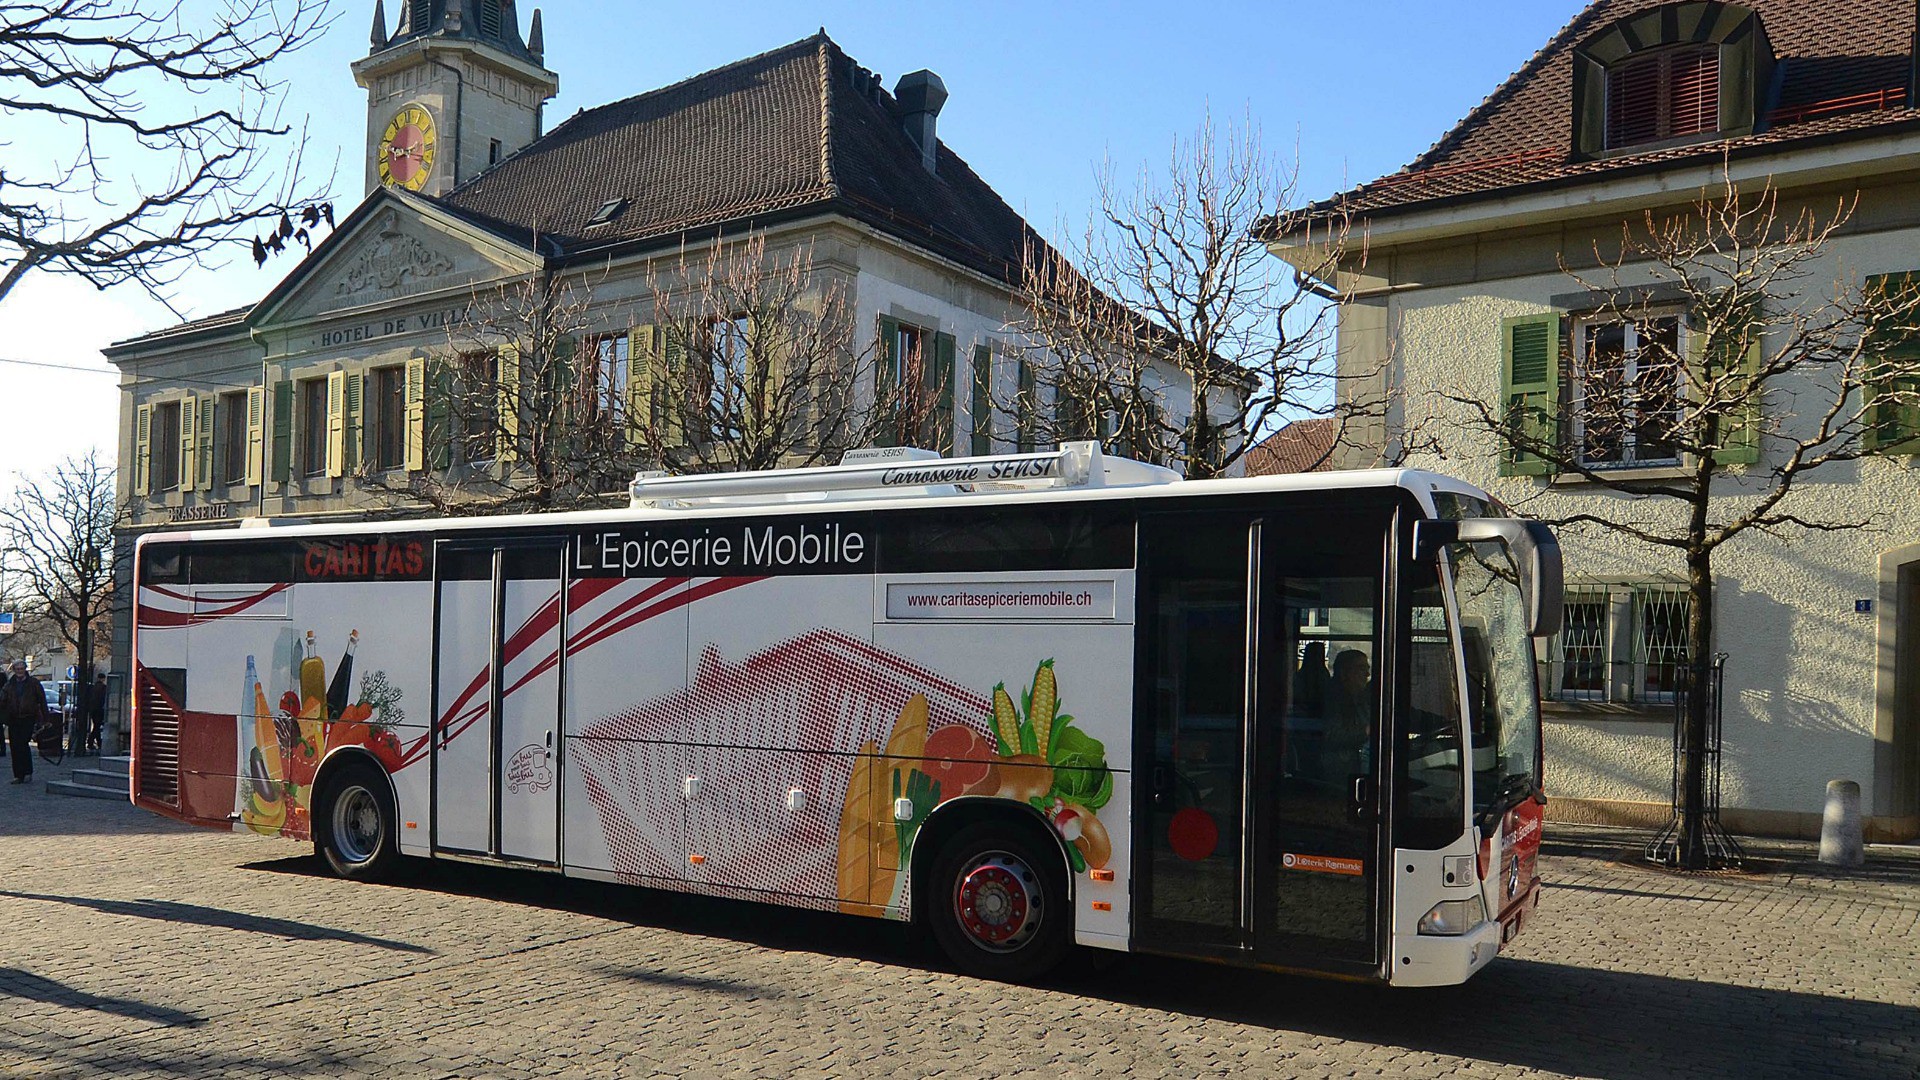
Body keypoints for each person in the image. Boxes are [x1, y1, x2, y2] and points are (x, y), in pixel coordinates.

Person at [3, 659, 48, 784]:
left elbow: (42, 701)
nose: (20, 671)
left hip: (28, 717)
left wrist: (45, 718)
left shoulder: (33, 683)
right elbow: (3, 701)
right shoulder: (9, 685)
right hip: (13, 719)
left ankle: (27, 772)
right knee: (14, 747)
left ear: (25, 669)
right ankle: (18, 775)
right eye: (17, 669)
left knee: (23, 744)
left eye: (21, 669)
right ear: (14, 670)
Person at [86, 672, 108, 755]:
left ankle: (97, 743)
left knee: (96, 726)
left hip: (92, 709)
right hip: (99, 709)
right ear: (103, 679)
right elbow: (103, 699)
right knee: (97, 726)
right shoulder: (103, 688)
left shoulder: (92, 687)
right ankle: (91, 741)